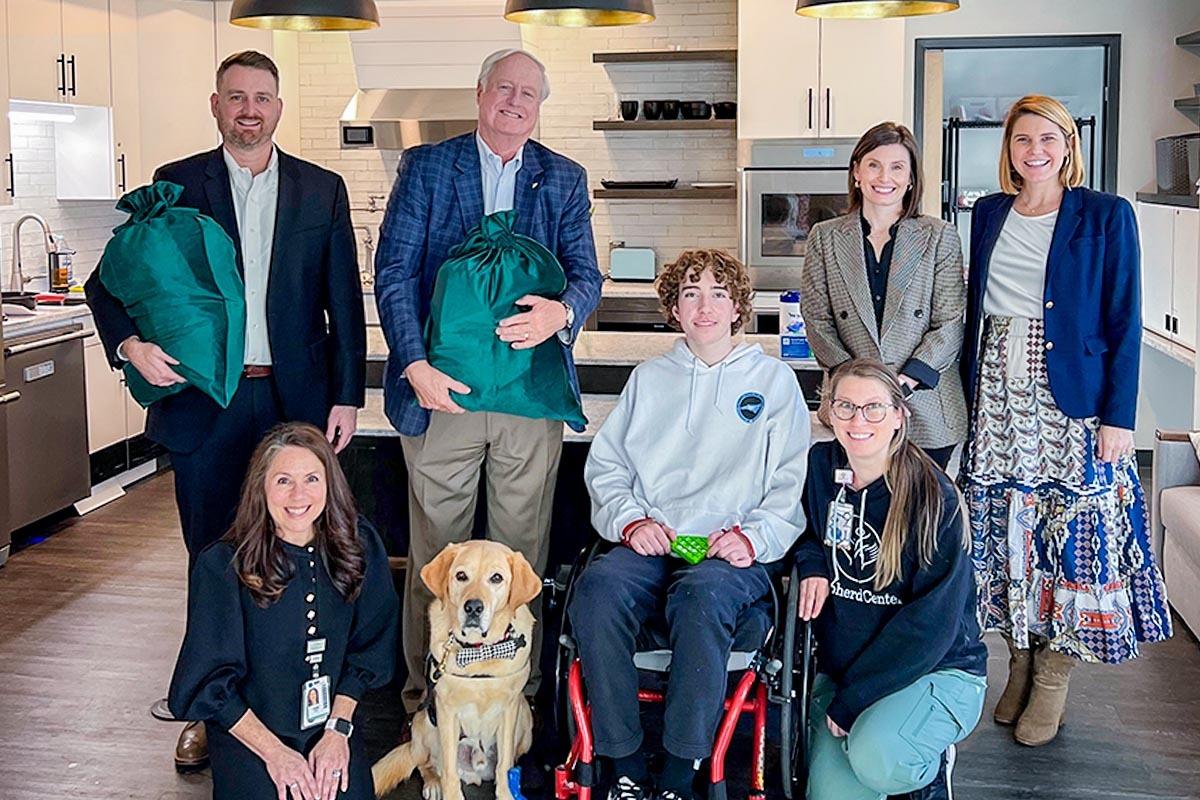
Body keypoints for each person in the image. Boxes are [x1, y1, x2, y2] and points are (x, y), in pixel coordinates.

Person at [85, 49, 365, 770]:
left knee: (298, 556)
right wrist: (129, 346)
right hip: (206, 401)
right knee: (214, 559)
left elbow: (343, 302)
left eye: (262, 97)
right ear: (216, 105)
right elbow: (107, 284)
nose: (249, 109)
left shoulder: (321, 189)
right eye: (235, 96)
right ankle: (212, 712)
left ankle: (294, 708)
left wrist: (347, 394)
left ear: (278, 106)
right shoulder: (176, 184)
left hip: (293, 402)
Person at [374, 47, 601, 715]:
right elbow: (393, 273)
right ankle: (430, 697)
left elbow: (585, 275)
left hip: (530, 400)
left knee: (518, 558)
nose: (515, 102)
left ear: (540, 106)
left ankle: (511, 698)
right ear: (480, 94)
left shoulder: (562, 177)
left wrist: (563, 311)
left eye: (529, 93)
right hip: (442, 391)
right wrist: (414, 365)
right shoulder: (427, 166)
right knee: (439, 557)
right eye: (505, 88)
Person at [961, 94, 1172, 747]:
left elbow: (1123, 319)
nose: (1036, 151)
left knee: (1078, 536)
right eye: (1023, 140)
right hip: (996, 398)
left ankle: (1054, 674)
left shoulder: (1107, 215)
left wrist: (1119, 416)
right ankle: (1018, 661)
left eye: (1048, 138)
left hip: (1073, 404)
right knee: (1008, 532)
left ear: (1068, 144)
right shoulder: (989, 213)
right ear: (1010, 149)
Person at [569, 249, 811, 800]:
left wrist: (751, 536)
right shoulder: (649, 379)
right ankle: (625, 763)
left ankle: (682, 771)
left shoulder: (773, 382)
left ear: (737, 309)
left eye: (719, 295)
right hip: (655, 535)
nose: (705, 307)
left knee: (701, 600)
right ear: (674, 310)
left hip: (732, 548)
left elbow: (789, 483)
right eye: (691, 295)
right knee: (598, 590)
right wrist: (630, 522)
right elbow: (608, 468)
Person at [168, 423, 398, 800]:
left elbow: (370, 648)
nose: (298, 495)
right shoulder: (223, 566)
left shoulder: (359, 545)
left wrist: (338, 731)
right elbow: (209, 683)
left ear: (330, 484)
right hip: (252, 736)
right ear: (261, 487)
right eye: (283, 481)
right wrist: (276, 755)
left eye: (311, 478)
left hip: (329, 727)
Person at [795, 359, 986, 800]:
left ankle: (928, 767)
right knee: (831, 793)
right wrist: (814, 565)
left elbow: (930, 625)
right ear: (828, 411)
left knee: (878, 759)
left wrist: (854, 701)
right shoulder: (820, 467)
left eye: (874, 408)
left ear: (899, 415)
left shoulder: (933, 495)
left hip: (934, 669)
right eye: (845, 406)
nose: (858, 420)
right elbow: (804, 533)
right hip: (844, 672)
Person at [800, 122, 966, 470]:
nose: (884, 176)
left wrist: (899, 386)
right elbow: (817, 319)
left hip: (924, 405)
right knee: (863, 513)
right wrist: (861, 390)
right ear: (856, 172)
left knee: (922, 517)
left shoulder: (939, 236)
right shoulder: (825, 237)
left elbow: (949, 323)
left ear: (910, 178)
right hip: (854, 413)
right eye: (873, 164)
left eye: (897, 167)